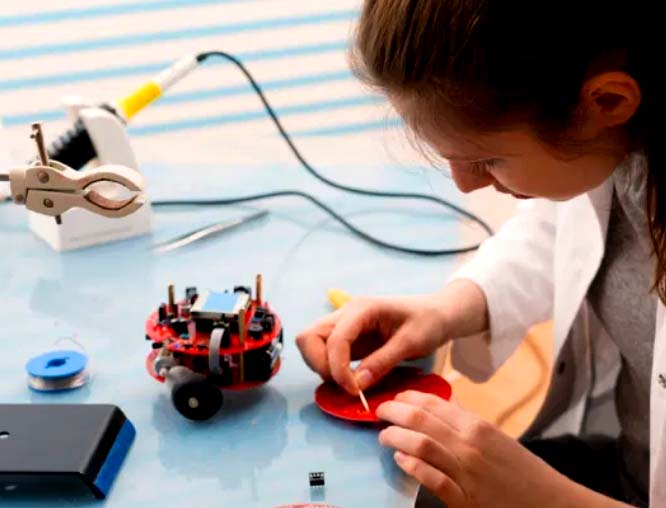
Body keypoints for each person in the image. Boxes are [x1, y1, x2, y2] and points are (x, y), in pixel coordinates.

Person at [295, 1, 665, 507]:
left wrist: (546, 499)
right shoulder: (617, 143)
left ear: (606, 102)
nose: (465, 186)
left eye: (487, 159)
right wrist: (445, 310)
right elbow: (568, 226)